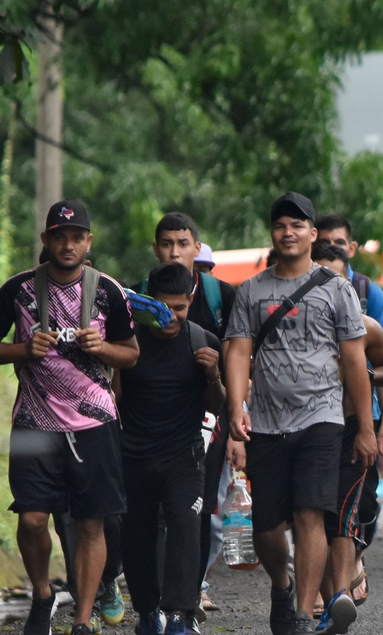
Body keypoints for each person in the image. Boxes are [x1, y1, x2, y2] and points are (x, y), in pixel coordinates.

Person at [0, 200, 139, 635]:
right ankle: (43, 593)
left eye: (77, 237)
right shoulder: (18, 289)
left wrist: (102, 349)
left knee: (90, 522)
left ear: (89, 241)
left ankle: (82, 620)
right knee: (30, 519)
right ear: (46, 240)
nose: (68, 245)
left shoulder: (109, 291)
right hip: (34, 422)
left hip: (94, 424)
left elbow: (132, 354)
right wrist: (23, 350)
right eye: (59, 236)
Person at [224, 192, 374, 635]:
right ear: (272, 234)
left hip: (322, 418)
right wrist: (237, 406)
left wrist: (364, 427)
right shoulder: (252, 290)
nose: (288, 233)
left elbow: (354, 363)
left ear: (313, 233)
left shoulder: (336, 288)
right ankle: (282, 584)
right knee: (267, 526)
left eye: (297, 225)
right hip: (267, 421)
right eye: (280, 226)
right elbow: (237, 352)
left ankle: (305, 613)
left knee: (311, 513)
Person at [116, 263, 225, 635]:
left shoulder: (203, 341)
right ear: (149, 303)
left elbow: (216, 406)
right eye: (163, 307)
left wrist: (212, 375)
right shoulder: (129, 341)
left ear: (191, 301)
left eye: (179, 308)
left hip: (184, 456)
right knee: (137, 536)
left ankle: (180, 615)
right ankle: (148, 613)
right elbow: (112, 397)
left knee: (185, 525)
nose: (171, 317)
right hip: (134, 455)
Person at [141, 212, 238, 615]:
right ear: (155, 248)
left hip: (207, 426)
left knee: (197, 513)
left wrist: (235, 425)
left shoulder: (222, 297)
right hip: (144, 431)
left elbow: (238, 363)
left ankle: (190, 594)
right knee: (148, 518)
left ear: (198, 248)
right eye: (167, 243)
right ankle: (158, 601)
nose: (174, 251)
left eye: (183, 244)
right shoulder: (134, 298)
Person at [308, 243, 383, 635]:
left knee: (344, 515)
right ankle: (326, 597)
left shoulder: (366, 326)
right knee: (312, 518)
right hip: (303, 431)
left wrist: (373, 420)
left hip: (350, 430)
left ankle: (338, 595)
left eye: (336, 277)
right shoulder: (295, 325)